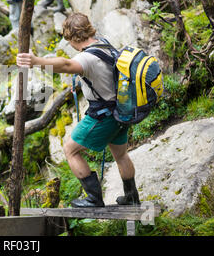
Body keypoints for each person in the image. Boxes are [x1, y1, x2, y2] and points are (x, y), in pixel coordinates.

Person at [16, 12, 140, 207]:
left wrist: (36, 62)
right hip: (120, 111)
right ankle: (132, 197)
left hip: (103, 116)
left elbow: (66, 64)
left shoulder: (87, 57)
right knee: (121, 155)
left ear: (73, 38)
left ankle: (93, 198)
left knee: (70, 150)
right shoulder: (103, 43)